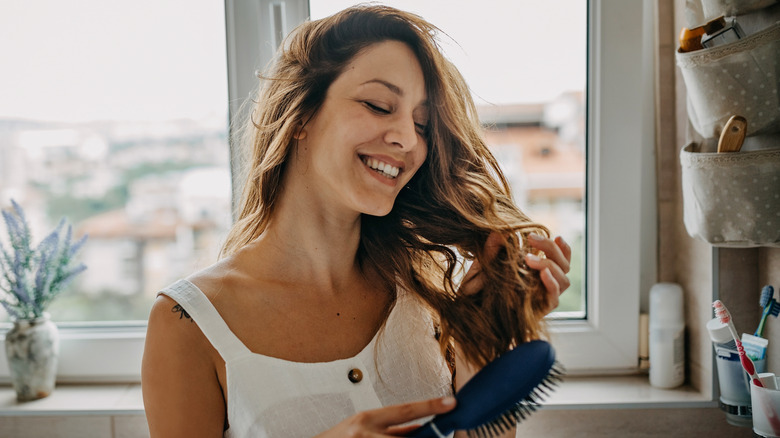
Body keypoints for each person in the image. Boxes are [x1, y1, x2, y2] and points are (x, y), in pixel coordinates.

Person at [141, 5, 571, 438]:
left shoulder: (430, 298)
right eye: (379, 105)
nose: (406, 138)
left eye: (422, 124)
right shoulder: (189, 323)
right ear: (301, 114)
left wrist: (487, 338)